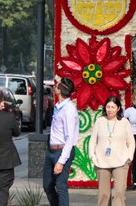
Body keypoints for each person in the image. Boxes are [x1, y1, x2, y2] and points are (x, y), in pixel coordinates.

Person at [89, 96, 135, 206]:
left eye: (113, 107)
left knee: (119, 191)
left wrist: (129, 157)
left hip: (121, 162)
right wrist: (92, 156)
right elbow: (92, 141)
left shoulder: (124, 122)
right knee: (103, 194)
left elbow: (131, 142)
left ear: (118, 108)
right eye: (108, 107)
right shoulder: (100, 121)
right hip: (102, 162)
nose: (110, 109)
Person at [43, 77, 79, 206]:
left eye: (56, 86)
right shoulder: (58, 106)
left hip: (62, 151)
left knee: (61, 186)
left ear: (59, 90)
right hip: (51, 150)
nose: (54, 87)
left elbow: (70, 138)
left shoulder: (69, 109)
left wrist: (61, 161)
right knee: (47, 185)